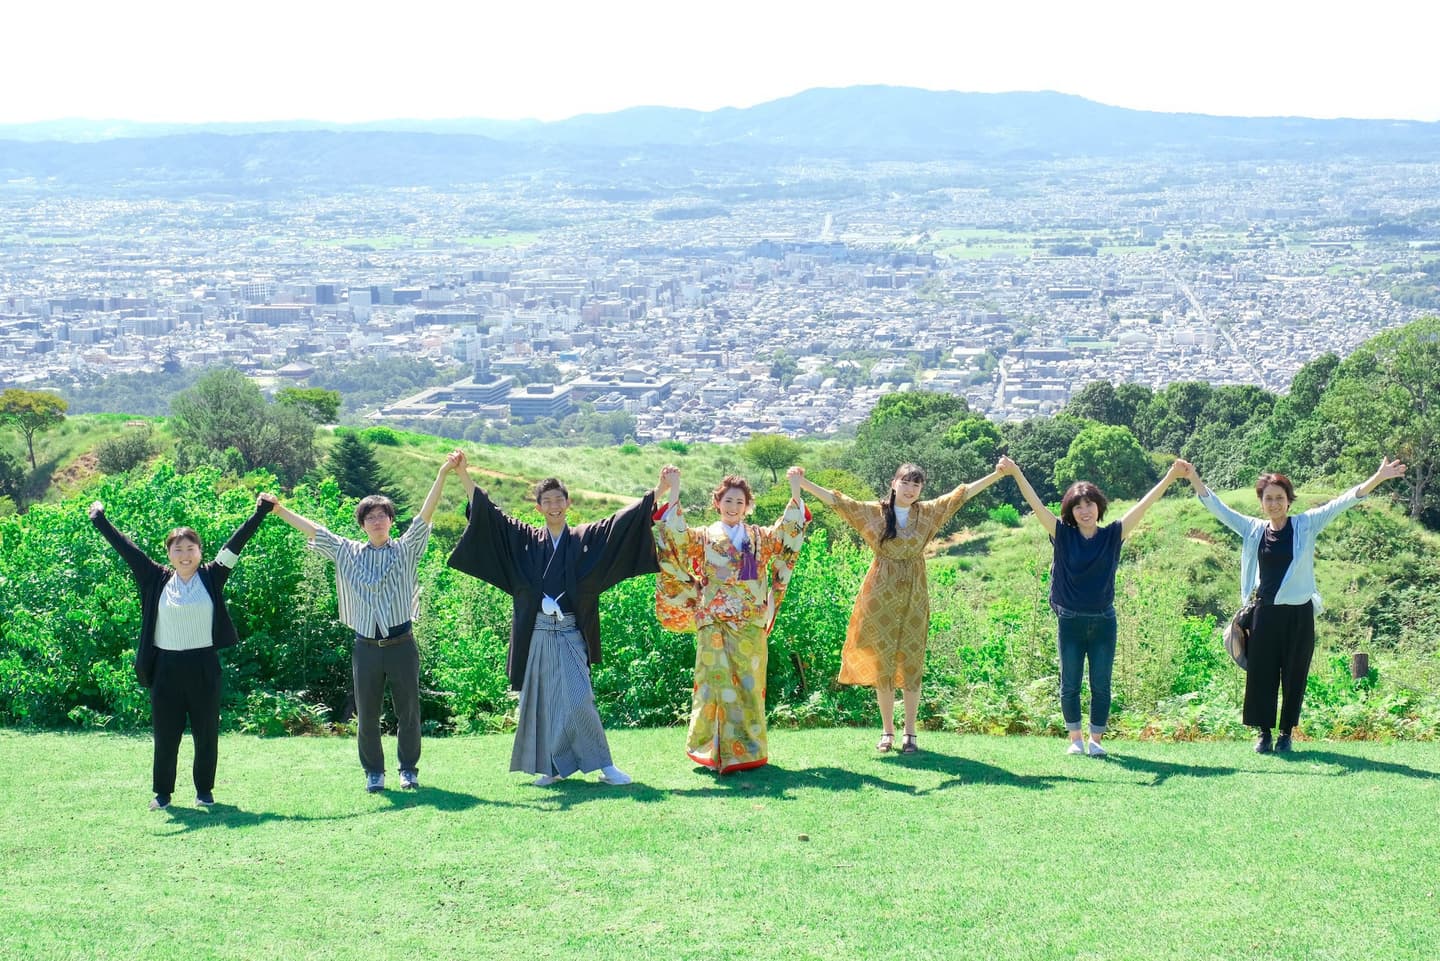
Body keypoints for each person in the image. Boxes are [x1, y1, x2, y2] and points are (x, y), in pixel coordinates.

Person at [447, 453, 660, 786]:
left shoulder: (584, 538)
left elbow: (621, 523)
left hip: (571, 630)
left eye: (559, 500)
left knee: (579, 700)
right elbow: (491, 518)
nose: (554, 506)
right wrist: (463, 474)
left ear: (568, 503)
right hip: (539, 633)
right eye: (547, 502)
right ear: (539, 508)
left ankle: (606, 766)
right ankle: (554, 767)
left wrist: (657, 491)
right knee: (545, 704)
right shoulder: (528, 540)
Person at [1179, 457, 1407, 753]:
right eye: (1268, 498)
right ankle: (1264, 734)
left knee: (1294, 674)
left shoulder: (1306, 524)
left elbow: (1343, 501)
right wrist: (1194, 477)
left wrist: (1378, 477)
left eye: (1280, 498)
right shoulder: (1253, 529)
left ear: (1289, 501)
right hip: (1264, 614)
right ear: (1261, 502)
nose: (1274, 503)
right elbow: (1217, 507)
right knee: (1262, 674)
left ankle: (1286, 733)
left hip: (1299, 615)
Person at [266, 454, 458, 792]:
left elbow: (425, 516)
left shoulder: (405, 550)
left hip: (402, 645)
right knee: (367, 715)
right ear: (362, 524)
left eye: (383, 515)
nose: (377, 521)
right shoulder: (347, 552)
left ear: (390, 521)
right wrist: (279, 510)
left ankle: (408, 769)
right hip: (365, 647)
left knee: (408, 712)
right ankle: (374, 773)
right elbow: (315, 530)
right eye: (370, 517)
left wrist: (443, 474)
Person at [797, 462, 1004, 754]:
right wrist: (804, 483)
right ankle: (887, 732)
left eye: (916, 485)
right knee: (883, 662)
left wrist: (997, 474)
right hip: (880, 592)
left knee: (911, 661)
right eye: (905, 483)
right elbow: (839, 502)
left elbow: (962, 494)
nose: (910, 489)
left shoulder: (928, 512)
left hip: (914, 593)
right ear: (894, 484)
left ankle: (910, 732)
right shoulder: (874, 512)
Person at [88, 494, 273, 810]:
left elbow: (236, 544)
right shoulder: (155, 578)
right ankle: (163, 794)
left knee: (206, 734)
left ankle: (204, 792)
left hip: (203, 666)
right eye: (179, 549)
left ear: (200, 552)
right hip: (166, 668)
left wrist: (260, 513)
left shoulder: (213, 576)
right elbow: (126, 550)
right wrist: (100, 519)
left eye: (191, 548)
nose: (185, 554)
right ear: (169, 554)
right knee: (166, 736)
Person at [1000, 455, 1187, 756]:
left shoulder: (1112, 535)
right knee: (1070, 682)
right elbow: (1035, 503)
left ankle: (1096, 741)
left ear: (1099, 507)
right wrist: (1016, 472)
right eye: (1078, 506)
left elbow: (1144, 506)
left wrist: (1170, 476)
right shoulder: (1062, 535)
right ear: (1070, 511)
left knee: (1102, 685)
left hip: (1104, 621)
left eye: (1089, 504)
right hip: (1070, 621)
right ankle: (1075, 738)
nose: (1084, 510)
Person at [653, 465, 807, 773]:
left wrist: (795, 491)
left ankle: (748, 752)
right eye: (728, 501)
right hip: (713, 619)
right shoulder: (704, 537)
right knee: (713, 684)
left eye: (739, 502)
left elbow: (788, 533)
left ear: (747, 506)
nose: (733, 507)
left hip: (750, 622)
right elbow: (675, 540)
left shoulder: (760, 537)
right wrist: (675, 488)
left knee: (750, 685)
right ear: (717, 504)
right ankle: (713, 752)